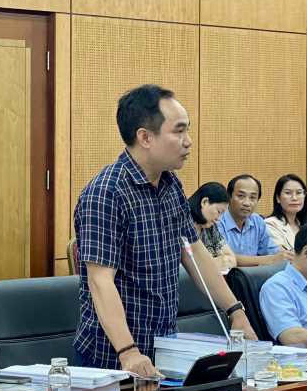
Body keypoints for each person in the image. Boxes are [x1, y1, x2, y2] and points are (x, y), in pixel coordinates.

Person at [73, 85, 255, 375]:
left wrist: (236, 311)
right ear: (145, 137)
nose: (188, 141)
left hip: (164, 348)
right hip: (112, 357)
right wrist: (128, 352)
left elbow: (194, 252)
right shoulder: (106, 193)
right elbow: (100, 281)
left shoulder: (171, 185)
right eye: (179, 131)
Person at [216, 174, 285, 267]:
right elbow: (225, 258)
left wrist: (284, 255)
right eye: (241, 196)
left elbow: (272, 252)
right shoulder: (217, 220)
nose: (247, 203)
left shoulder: (257, 221)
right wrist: (269, 259)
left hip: (253, 275)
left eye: (252, 197)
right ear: (229, 196)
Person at [189, 182, 237, 270]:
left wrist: (209, 263)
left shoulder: (210, 227)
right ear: (204, 202)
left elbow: (232, 259)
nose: (218, 219)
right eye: (219, 212)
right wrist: (215, 262)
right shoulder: (181, 225)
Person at [265, 174, 307, 256]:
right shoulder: (270, 224)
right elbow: (284, 257)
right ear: (278, 198)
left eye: (299, 193)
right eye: (288, 193)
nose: (294, 198)